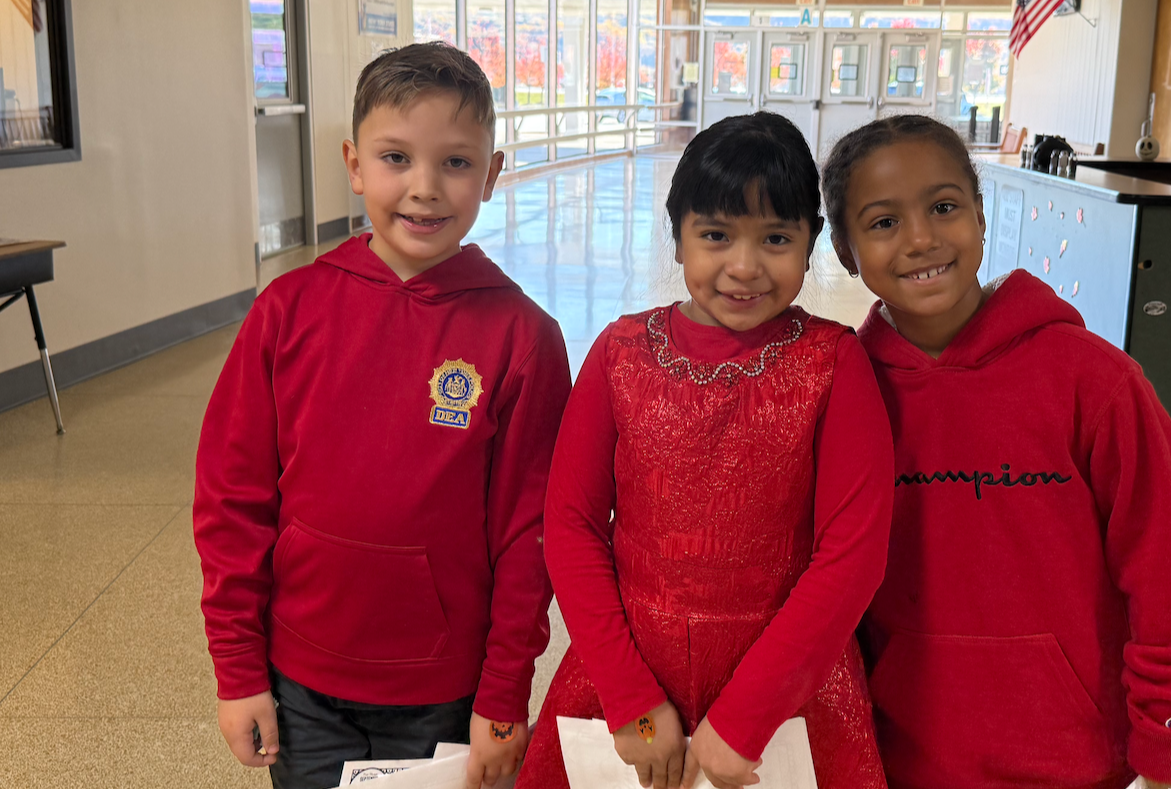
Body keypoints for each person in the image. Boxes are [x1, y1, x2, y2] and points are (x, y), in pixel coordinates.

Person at [194, 42, 571, 789]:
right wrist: (238, 670)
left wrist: (502, 696)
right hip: (299, 679)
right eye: (396, 157)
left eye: (456, 163)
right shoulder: (287, 313)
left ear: (492, 174)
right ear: (354, 163)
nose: (424, 188)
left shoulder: (521, 337)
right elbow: (232, 502)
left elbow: (531, 535)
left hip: (447, 690)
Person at [821, 114, 1171, 789]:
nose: (921, 239)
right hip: (899, 756)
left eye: (943, 207)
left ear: (982, 216)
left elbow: (1169, 580)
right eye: (883, 222)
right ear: (844, 249)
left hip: (1078, 759)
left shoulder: (1096, 383)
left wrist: (1169, 740)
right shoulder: (841, 396)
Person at [517, 112, 892, 789]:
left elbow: (852, 556)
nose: (743, 266)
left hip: (789, 689)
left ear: (810, 245)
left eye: (775, 238)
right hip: (630, 673)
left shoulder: (835, 365)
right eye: (716, 235)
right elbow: (570, 525)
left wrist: (744, 720)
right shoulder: (619, 354)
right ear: (679, 237)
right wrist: (633, 704)